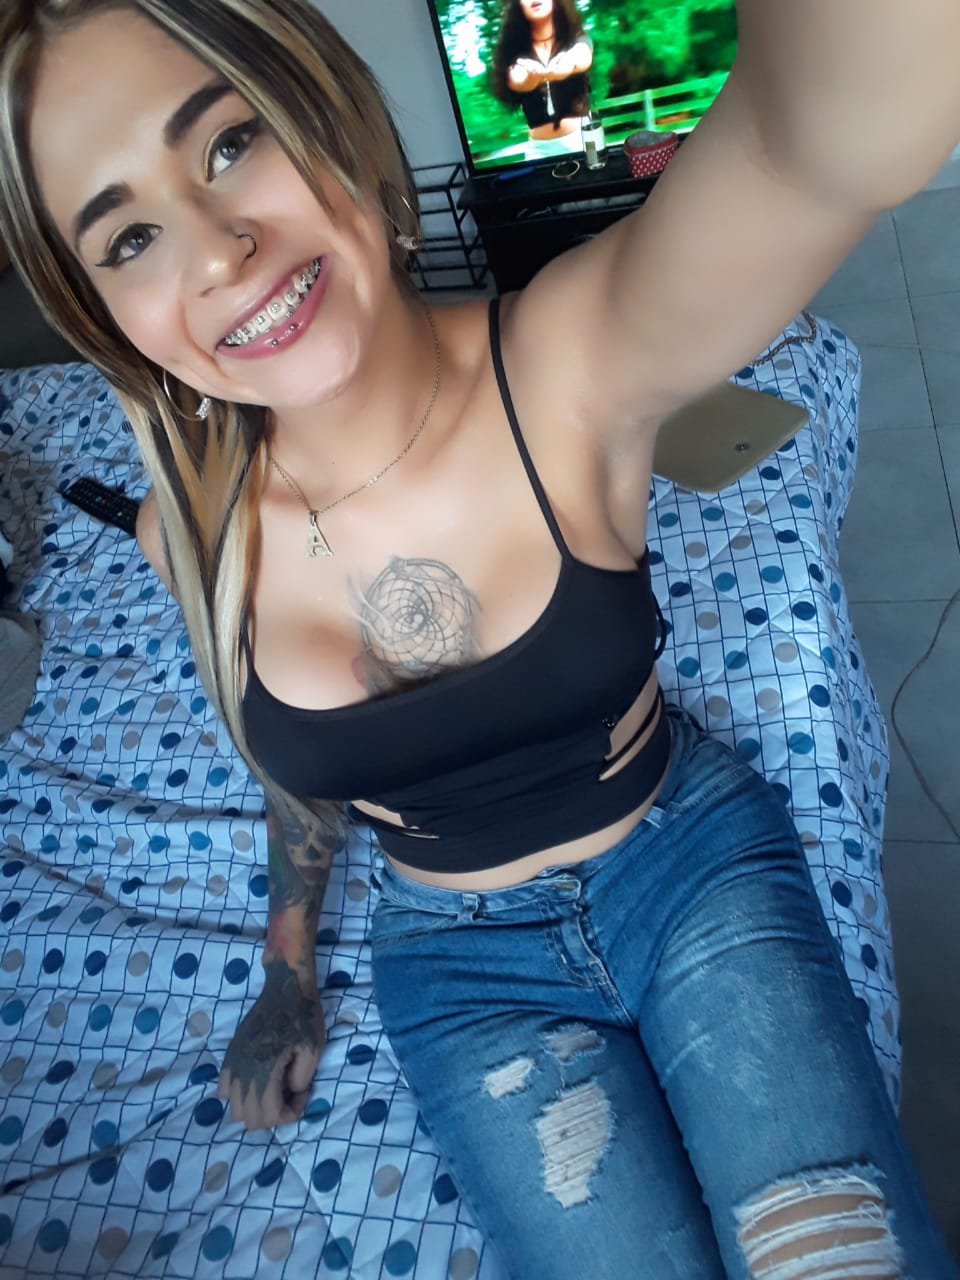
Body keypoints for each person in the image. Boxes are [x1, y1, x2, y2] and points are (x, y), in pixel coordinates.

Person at [2, 0, 959, 1274]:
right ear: (106, 316)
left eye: (231, 142)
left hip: (686, 868)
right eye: (127, 235)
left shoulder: (569, 361)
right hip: (459, 968)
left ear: (328, 114)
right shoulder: (188, 534)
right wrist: (287, 968)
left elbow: (826, 136)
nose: (220, 252)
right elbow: (291, 765)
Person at [492, 0, 594, 150]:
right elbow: (517, 80)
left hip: (583, 142)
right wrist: (532, 77)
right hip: (539, 152)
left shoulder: (577, 39)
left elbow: (581, 57)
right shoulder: (513, 51)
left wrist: (563, 67)